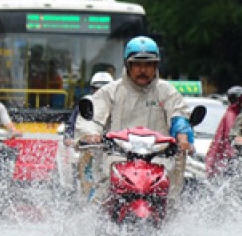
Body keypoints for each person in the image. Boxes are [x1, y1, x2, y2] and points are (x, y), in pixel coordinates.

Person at [77, 36, 195, 202]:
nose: (143, 70)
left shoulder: (167, 92)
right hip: (118, 158)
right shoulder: (110, 91)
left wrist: (183, 137)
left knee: (172, 203)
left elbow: (179, 116)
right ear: (127, 65)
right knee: (101, 198)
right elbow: (92, 119)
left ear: (156, 66)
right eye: (138, 64)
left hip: (158, 159)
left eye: (148, 65)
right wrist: (92, 135)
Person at [63, 71, 113, 197]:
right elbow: (71, 129)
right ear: (92, 89)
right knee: (87, 188)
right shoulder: (85, 105)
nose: (101, 92)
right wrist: (72, 140)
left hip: (113, 154)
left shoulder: (119, 106)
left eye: (105, 89)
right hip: (89, 151)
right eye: (97, 89)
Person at [205, 85, 242, 179]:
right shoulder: (231, 115)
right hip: (228, 158)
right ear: (238, 101)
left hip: (226, 157)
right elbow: (232, 136)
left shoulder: (233, 113)